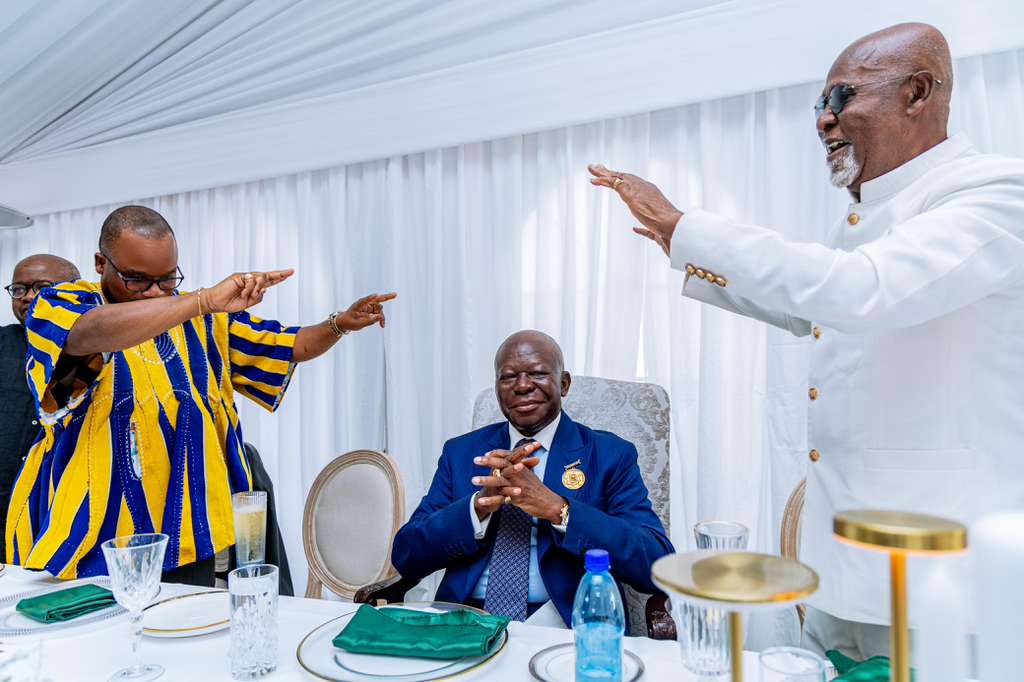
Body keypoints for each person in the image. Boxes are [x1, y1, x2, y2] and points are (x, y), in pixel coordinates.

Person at [589, 22, 1024, 659]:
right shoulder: (867, 215)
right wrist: (687, 253)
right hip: (838, 571)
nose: (823, 119)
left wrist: (689, 228)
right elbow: (814, 311)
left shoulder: (996, 191)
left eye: (843, 96)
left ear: (917, 92)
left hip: (941, 580)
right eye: (820, 103)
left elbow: (860, 289)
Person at [6, 205, 395, 585]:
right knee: (96, 622)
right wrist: (198, 301)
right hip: (96, 527)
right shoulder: (61, 304)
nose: (154, 293)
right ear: (100, 263)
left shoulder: (205, 318)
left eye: (166, 280)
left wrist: (338, 324)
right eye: (137, 280)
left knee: (185, 622)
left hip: (189, 525)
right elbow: (86, 333)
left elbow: (290, 345)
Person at [391, 330, 673, 628]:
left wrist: (560, 510)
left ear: (564, 383)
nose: (523, 386)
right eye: (508, 377)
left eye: (537, 374)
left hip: (564, 622)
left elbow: (656, 563)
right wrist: (476, 510)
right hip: (465, 622)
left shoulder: (609, 455)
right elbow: (406, 555)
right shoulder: (462, 452)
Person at [1, 255, 80, 560]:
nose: (28, 296)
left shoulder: (98, 350)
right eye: (19, 289)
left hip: (63, 513)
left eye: (42, 287)